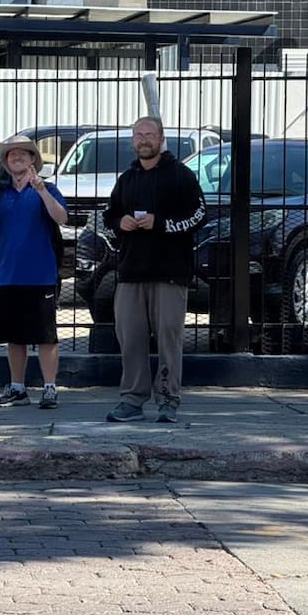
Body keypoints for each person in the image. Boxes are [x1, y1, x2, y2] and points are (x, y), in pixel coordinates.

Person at [102, 117, 206, 424]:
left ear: (161, 139)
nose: (143, 140)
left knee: (168, 338)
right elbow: (110, 215)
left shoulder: (181, 176)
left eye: (149, 134)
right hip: (131, 272)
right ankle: (132, 400)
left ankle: (168, 399)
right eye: (138, 135)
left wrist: (161, 224)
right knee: (130, 339)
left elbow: (199, 215)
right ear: (132, 140)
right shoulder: (127, 178)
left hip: (170, 273)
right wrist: (119, 223)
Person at [0, 134, 69, 408]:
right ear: (6, 162)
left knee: (46, 336)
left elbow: (62, 217)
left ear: (33, 159)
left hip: (40, 274)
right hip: (8, 274)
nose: (17, 157)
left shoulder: (46, 188)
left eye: (23, 154)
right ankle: (18, 387)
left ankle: (50, 387)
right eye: (12, 155)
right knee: (15, 337)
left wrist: (41, 190)